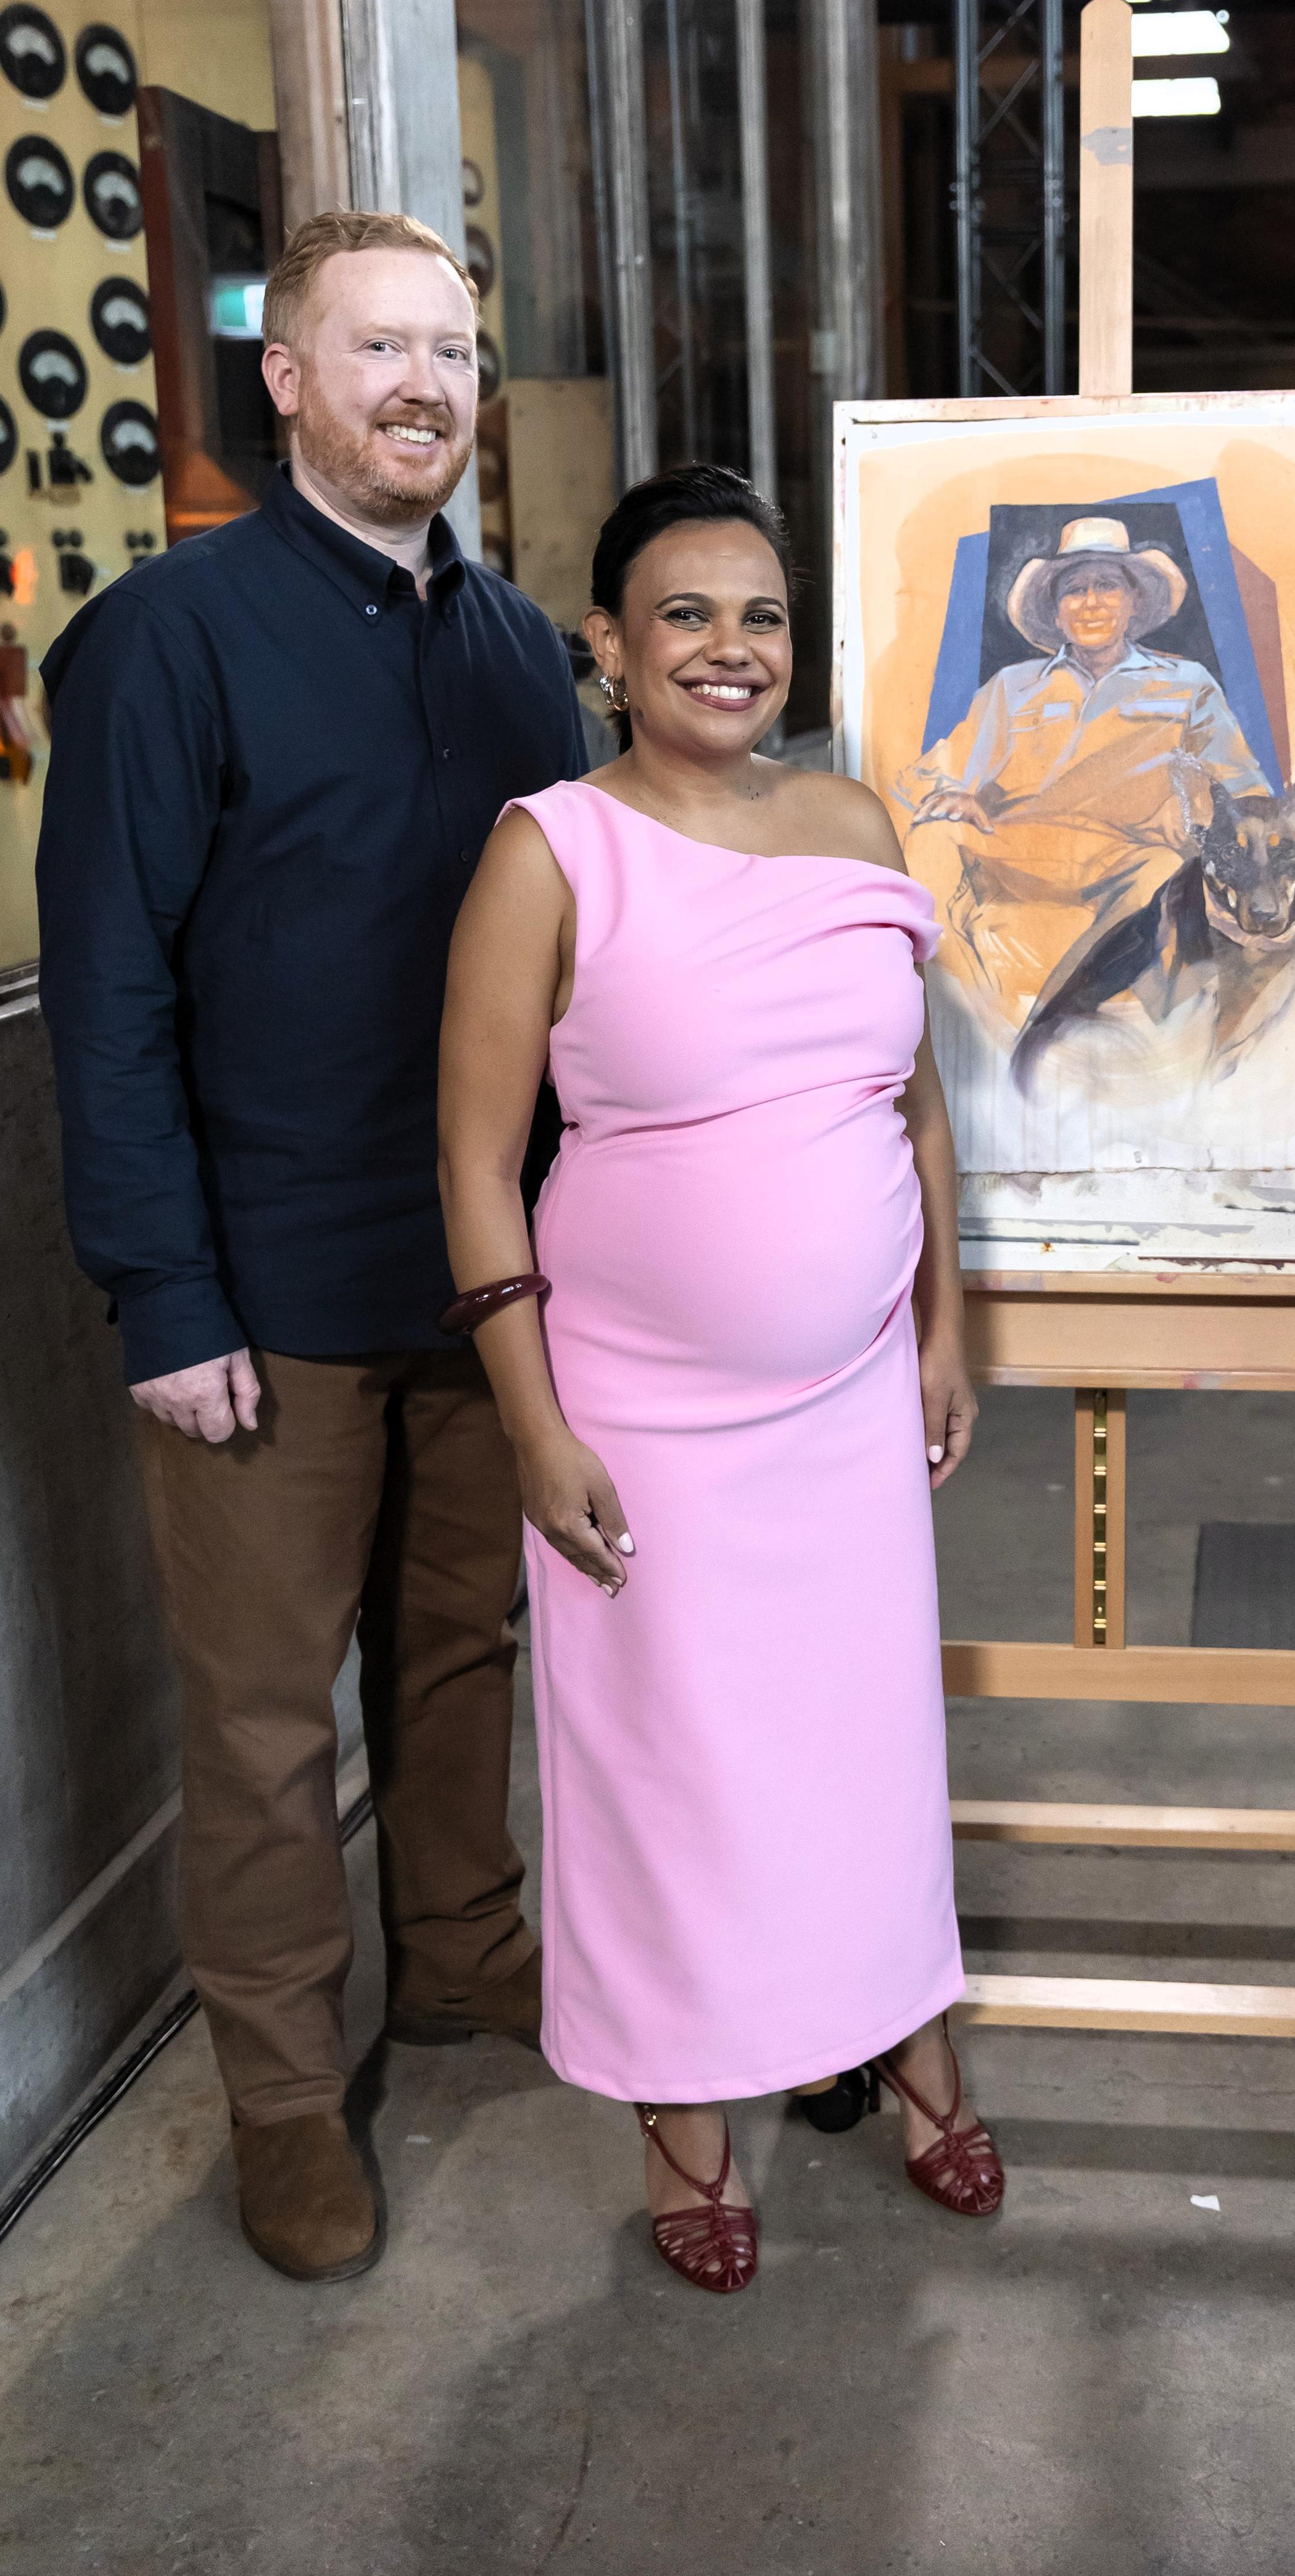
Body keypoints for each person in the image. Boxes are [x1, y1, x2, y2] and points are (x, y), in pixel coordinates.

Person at [37, 208, 584, 2283]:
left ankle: (457, 1951)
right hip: (261, 1297)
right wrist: (163, 1293)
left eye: (450, 350)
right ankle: (282, 2100)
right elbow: (106, 991)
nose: (422, 385)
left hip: (481, 1277)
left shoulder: (520, 653)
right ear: (285, 378)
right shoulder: (168, 639)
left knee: (460, 1652)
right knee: (270, 1726)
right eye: (377, 348)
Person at [436, 462, 1001, 2297]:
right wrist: (533, 1424)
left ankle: (905, 2040)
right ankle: (684, 2111)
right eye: (684, 613)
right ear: (607, 645)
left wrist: (945, 1322)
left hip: (848, 1403)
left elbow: (914, 1101)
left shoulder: (851, 819)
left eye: (761, 614)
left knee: (861, 1747)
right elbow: (474, 1162)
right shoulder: (550, 849)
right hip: (638, 1418)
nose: (729, 646)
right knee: (671, 1767)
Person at [893, 513, 1268, 1027]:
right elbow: (936, 769)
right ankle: (967, 1015)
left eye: (1107, 586)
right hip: (1017, 849)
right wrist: (954, 791)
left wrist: (1206, 823)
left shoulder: (1186, 683)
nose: (1091, 603)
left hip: (1129, 856)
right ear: (1055, 610)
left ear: (1134, 600)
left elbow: (1242, 787)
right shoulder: (1012, 686)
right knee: (931, 838)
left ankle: (1048, 1018)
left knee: (1165, 874)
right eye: (1074, 590)